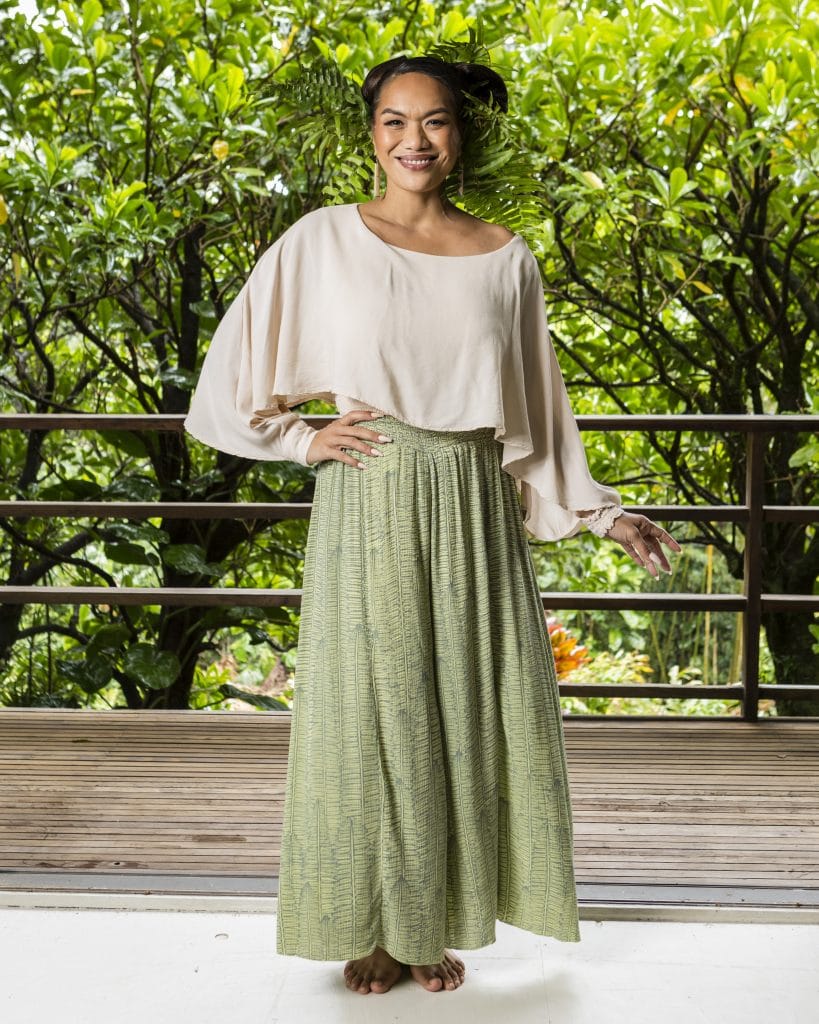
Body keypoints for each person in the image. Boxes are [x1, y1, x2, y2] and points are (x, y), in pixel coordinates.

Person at [184, 54, 680, 995]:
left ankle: (429, 922)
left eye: (436, 122)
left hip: (473, 502)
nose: (415, 140)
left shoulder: (506, 258)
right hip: (371, 493)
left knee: (460, 714)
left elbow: (539, 416)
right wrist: (299, 440)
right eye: (394, 123)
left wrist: (607, 516)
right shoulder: (321, 241)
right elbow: (228, 383)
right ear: (369, 135)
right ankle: (373, 925)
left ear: (460, 135)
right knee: (378, 714)